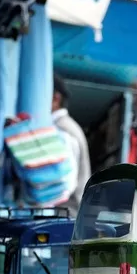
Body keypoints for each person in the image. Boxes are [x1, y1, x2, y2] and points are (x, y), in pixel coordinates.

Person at [52, 75, 92, 214]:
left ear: (55, 98)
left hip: (63, 216)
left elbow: (65, 184)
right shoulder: (63, 126)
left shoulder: (63, 129)